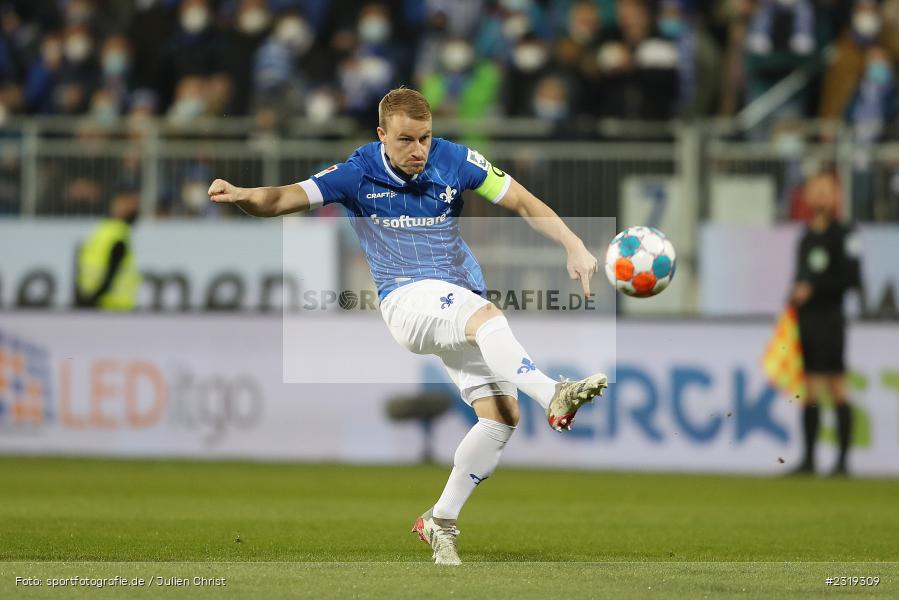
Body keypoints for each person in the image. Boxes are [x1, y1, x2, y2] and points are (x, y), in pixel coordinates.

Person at [207, 87, 608, 566]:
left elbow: (521, 201)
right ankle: (553, 395)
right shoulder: (356, 173)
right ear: (382, 135)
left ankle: (440, 520)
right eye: (405, 140)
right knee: (488, 319)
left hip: (458, 298)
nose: (418, 150)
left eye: (425, 137)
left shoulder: (455, 160)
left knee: (501, 417)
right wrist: (243, 196)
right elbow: (283, 199)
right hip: (406, 300)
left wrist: (573, 242)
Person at [789, 172, 862, 476]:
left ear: (835, 196)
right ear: (807, 196)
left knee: (836, 385)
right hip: (807, 319)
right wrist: (792, 299)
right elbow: (800, 279)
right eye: (814, 190)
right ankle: (808, 460)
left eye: (825, 190)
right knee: (809, 387)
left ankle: (843, 463)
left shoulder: (845, 233)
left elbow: (851, 278)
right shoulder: (806, 236)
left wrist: (814, 289)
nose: (819, 195)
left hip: (831, 317)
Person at [75, 190, 141, 310]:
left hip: (94, 303)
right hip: (113, 306)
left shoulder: (101, 230)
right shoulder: (118, 236)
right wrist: (94, 298)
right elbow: (110, 274)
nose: (135, 209)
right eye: (131, 204)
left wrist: (83, 299)